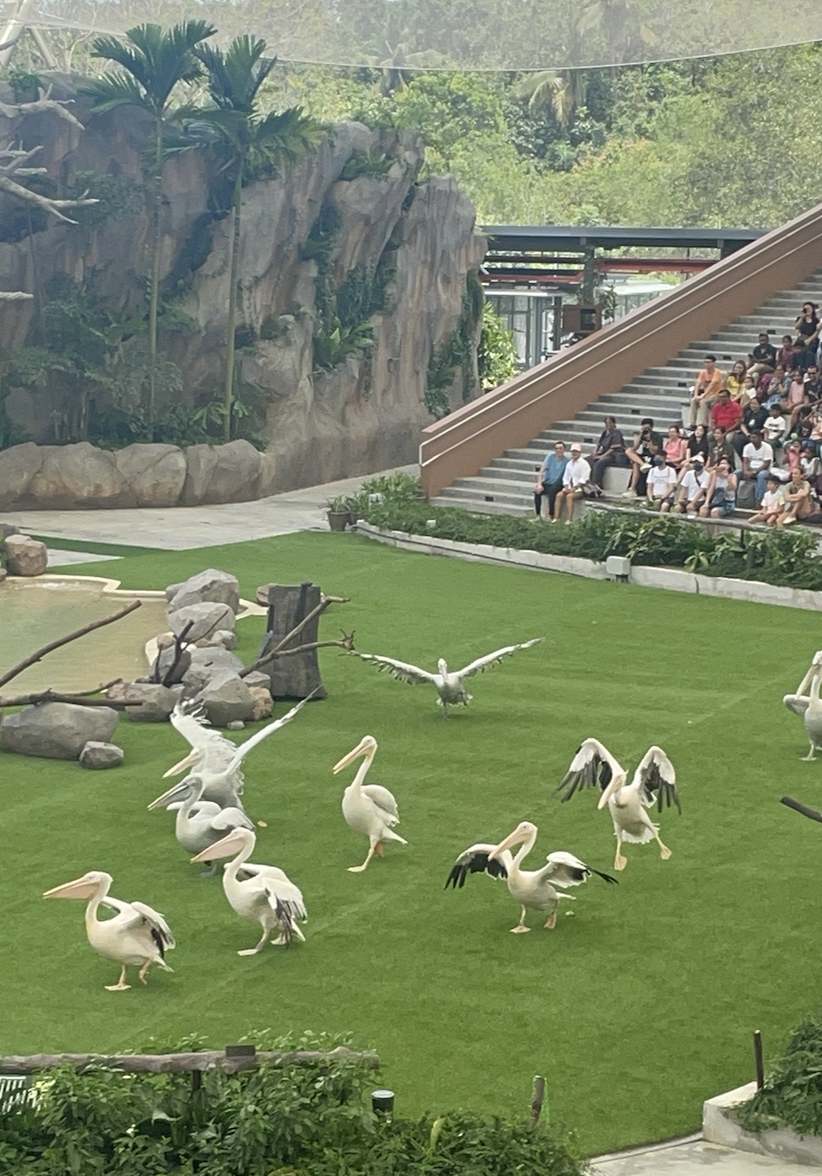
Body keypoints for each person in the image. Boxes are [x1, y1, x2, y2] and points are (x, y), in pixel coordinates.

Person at [622, 418, 664, 497]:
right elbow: (635, 448)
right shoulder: (642, 435)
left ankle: (633, 488)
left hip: (653, 457)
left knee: (635, 464)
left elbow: (654, 452)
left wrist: (649, 440)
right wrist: (640, 435)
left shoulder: (657, 436)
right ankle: (642, 464)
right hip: (644, 457)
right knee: (628, 451)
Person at [554, 442, 591, 524]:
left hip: (580, 489)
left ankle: (569, 519)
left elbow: (584, 478)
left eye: (576, 451)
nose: (574, 453)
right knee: (559, 495)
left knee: (569, 497)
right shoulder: (569, 464)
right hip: (570, 487)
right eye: (573, 451)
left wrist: (575, 488)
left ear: (579, 452)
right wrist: (566, 486)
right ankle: (556, 518)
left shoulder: (584, 464)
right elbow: (565, 477)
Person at [587, 415, 628, 488]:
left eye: (610, 422)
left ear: (614, 424)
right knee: (589, 459)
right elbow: (599, 444)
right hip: (604, 452)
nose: (608, 424)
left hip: (613, 455)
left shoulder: (616, 433)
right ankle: (587, 482)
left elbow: (613, 449)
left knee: (599, 462)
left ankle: (596, 484)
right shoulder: (605, 433)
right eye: (606, 423)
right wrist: (595, 452)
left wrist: (601, 456)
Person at [533, 441, 568, 519]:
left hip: (558, 483)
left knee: (553, 492)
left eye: (560, 448)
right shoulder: (550, 457)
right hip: (548, 481)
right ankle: (538, 515)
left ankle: (550, 514)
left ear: (564, 450)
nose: (558, 450)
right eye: (556, 449)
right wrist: (539, 484)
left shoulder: (567, 461)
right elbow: (541, 471)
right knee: (537, 491)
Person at [688, 355, 725, 427]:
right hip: (707, 395)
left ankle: (704, 423)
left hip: (716, 394)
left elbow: (712, 384)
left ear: (713, 363)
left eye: (709, 362)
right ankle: (692, 423)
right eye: (705, 362)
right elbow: (698, 384)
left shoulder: (716, 372)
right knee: (693, 400)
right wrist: (696, 395)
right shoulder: (703, 372)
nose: (707, 364)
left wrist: (703, 395)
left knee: (703, 402)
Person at [739, 430, 774, 503]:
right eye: (751, 438)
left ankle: (759, 499)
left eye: (754, 438)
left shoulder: (767, 447)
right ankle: (734, 498)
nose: (752, 440)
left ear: (760, 438)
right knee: (736, 473)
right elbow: (745, 461)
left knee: (762, 475)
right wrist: (746, 471)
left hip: (762, 470)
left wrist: (754, 472)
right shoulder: (747, 447)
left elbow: (766, 464)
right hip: (750, 469)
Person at [795, 302, 820, 369]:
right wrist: (802, 318)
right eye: (806, 309)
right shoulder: (801, 319)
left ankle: (805, 367)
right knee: (796, 351)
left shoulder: (815, 320)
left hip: (812, 339)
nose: (808, 310)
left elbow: (816, 332)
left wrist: (809, 340)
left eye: (809, 308)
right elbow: (796, 327)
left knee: (807, 352)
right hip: (802, 338)